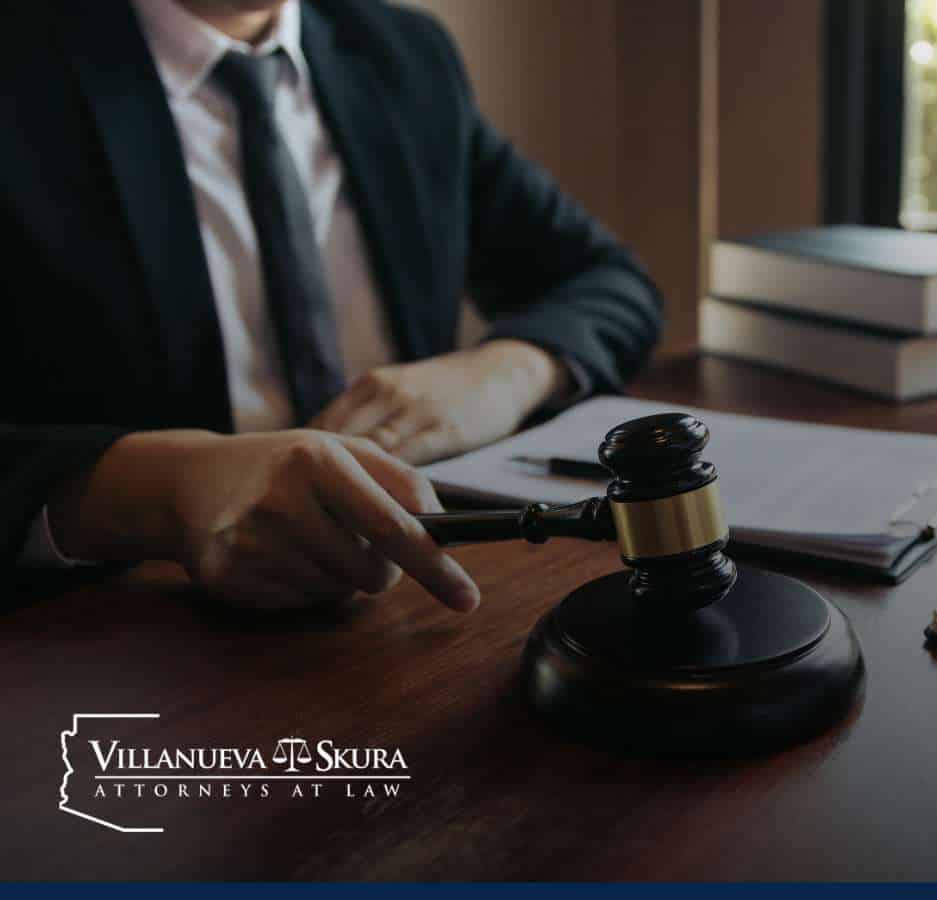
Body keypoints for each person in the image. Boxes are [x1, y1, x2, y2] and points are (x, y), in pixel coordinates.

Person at [0, 0, 662, 611]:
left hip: (413, 599)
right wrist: (162, 492)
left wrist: (502, 373)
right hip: (117, 649)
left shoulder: (402, 53)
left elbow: (609, 280)